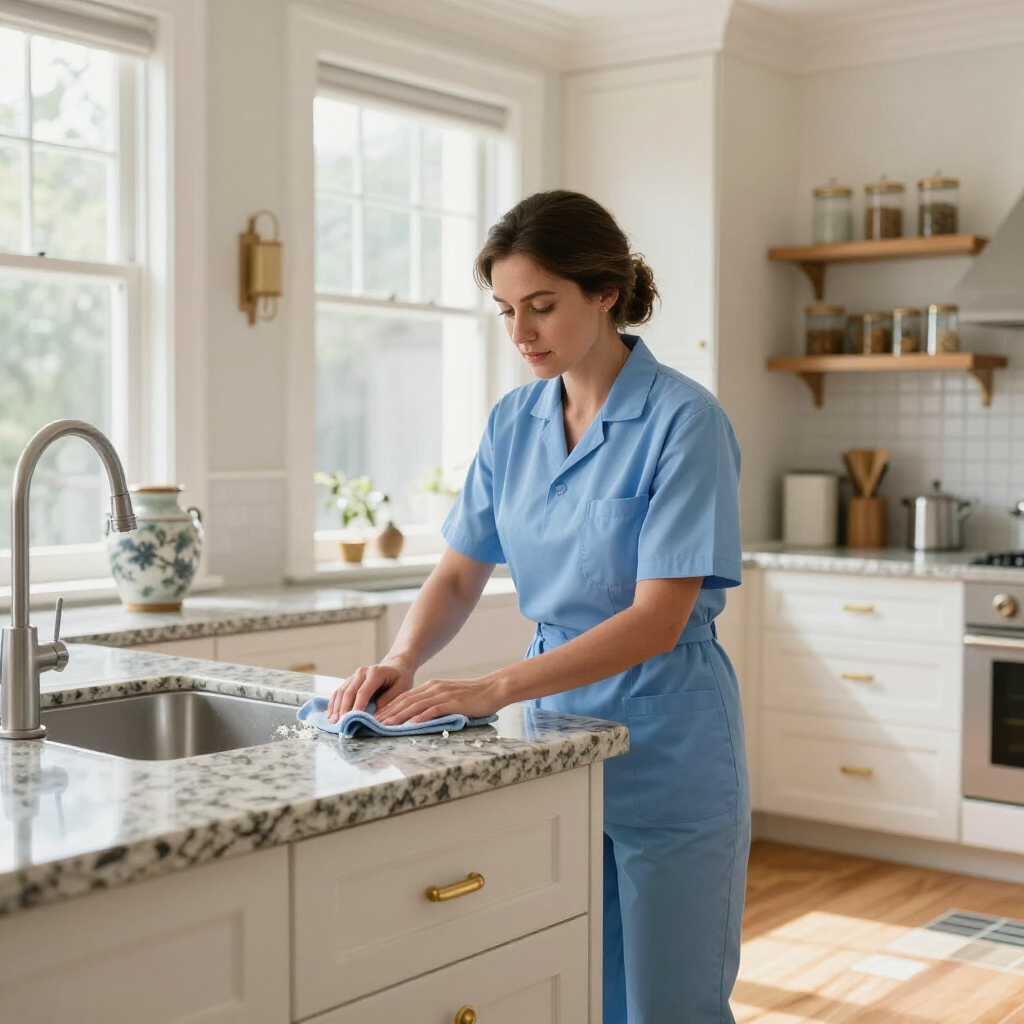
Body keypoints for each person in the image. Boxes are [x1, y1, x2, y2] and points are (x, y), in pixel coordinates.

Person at [325, 189, 750, 1024]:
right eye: (506, 309)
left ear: (606, 293)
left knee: (670, 1003)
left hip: (669, 739)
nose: (521, 332)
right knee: (569, 984)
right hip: (552, 739)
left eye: (542, 306)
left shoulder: (683, 421)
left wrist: (493, 687)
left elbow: (658, 618)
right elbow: (458, 574)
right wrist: (403, 658)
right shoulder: (514, 422)